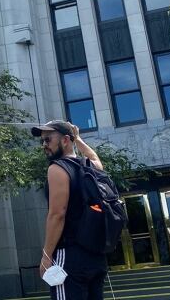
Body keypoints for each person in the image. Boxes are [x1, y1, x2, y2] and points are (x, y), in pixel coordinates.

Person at [32, 120, 107, 300]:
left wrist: (46, 256)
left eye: (48, 140)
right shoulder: (91, 166)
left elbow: (57, 215)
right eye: (42, 141)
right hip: (96, 257)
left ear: (65, 140)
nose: (44, 145)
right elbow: (96, 158)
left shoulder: (57, 169)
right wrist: (78, 139)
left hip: (69, 256)